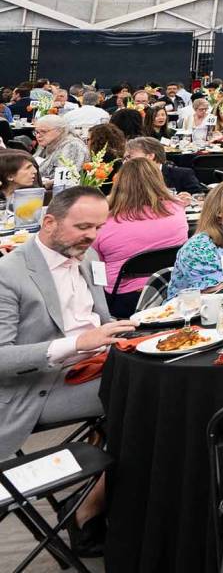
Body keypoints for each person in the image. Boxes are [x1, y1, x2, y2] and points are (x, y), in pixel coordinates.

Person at [0, 187, 133, 546]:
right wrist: (76, 344)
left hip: (96, 367)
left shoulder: (88, 259)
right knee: (141, 401)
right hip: (36, 388)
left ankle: (105, 503)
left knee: (156, 384)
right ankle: (87, 510)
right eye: (82, 226)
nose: (91, 236)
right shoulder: (9, 273)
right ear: (49, 222)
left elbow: (104, 320)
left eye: (98, 227)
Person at [95, 157, 188, 304]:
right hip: (173, 290)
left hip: (122, 299)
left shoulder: (103, 221)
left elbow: (95, 264)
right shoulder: (177, 209)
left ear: (119, 182)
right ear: (158, 180)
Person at [123, 136, 204, 195]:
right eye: (125, 158)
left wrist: (187, 198)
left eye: (129, 157)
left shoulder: (182, 175)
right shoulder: (128, 178)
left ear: (150, 156)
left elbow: (199, 197)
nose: (125, 162)